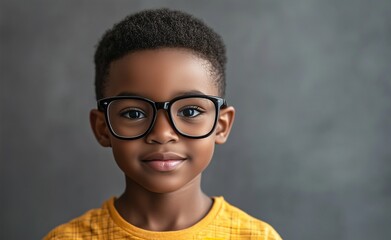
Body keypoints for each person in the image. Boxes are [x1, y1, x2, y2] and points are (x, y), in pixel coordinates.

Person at [44, 8, 281, 239]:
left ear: (221, 125)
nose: (162, 133)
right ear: (102, 128)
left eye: (189, 110)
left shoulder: (256, 237)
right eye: (134, 114)